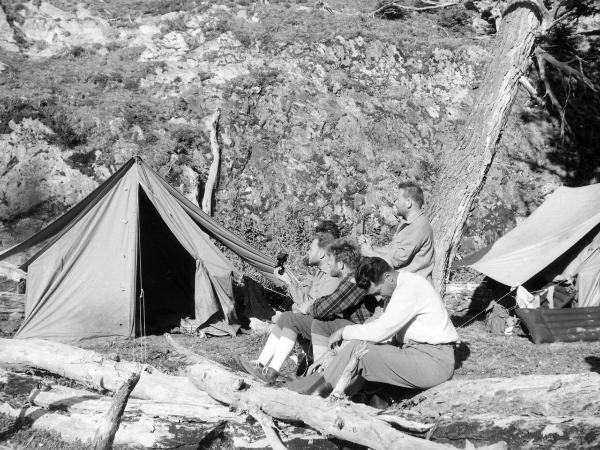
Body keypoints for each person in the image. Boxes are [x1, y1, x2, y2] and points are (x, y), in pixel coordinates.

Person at [287, 257, 459, 397]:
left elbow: (380, 332)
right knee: (357, 346)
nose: (378, 297)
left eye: (378, 292)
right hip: (418, 353)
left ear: (388, 277)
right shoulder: (400, 286)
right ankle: (313, 386)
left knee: (361, 354)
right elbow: (384, 333)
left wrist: (343, 332)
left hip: (433, 362)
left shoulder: (410, 288)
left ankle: (314, 394)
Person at [238, 239, 375, 384]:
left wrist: (308, 307)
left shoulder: (351, 281)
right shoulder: (332, 276)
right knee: (288, 317)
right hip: (344, 327)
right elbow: (317, 301)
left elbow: (324, 308)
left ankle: (272, 372)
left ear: (340, 264)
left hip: (354, 332)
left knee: (292, 319)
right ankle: (262, 365)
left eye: (331, 261)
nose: (329, 264)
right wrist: (294, 288)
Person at [359, 182, 435, 283]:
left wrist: (370, 253)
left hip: (414, 290)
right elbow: (392, 250)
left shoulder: (418, 227)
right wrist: (371, 247)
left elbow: (394, 261)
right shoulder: (408, 224)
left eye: (398, 200)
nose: (395, 203)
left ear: (408, 203)